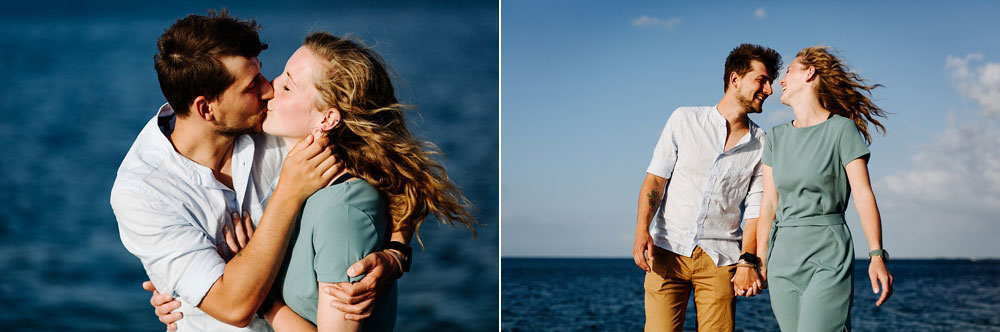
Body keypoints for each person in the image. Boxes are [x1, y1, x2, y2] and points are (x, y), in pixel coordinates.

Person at [111, 11, 404, 332]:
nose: (269, 90)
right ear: (205, 108)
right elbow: (234, 307)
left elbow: (396, 173)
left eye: (262, 74)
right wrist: (288, 193)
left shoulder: (273, 124)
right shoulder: (143, 192)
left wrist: (397, 254)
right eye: (252, 86)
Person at [220, 32, 477, 332]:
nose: (270, 87)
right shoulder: (298, 177)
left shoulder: (342, 209)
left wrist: (261, 300)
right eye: (281, 75)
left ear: (327, 119)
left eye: (288, 86)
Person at [633, 43, 780, 332]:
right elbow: (655, 180)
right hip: (667, 252)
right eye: (761, 80)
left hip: (721, 259)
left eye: (770, 83)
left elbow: (756, 208)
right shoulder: (684, 119)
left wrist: (747, 261)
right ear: (735, 79)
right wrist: (641, 231)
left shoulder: (763, 143)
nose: (769, 90)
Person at [755, 46, 893, 331]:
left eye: (789, 71)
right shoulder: (776, 137)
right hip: (782, 258)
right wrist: (761, 259)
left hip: (827, 254)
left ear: (810, 72)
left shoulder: (842, 130)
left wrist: (877, 254)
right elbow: (769, 203)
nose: (781, 80)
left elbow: (864, 195)